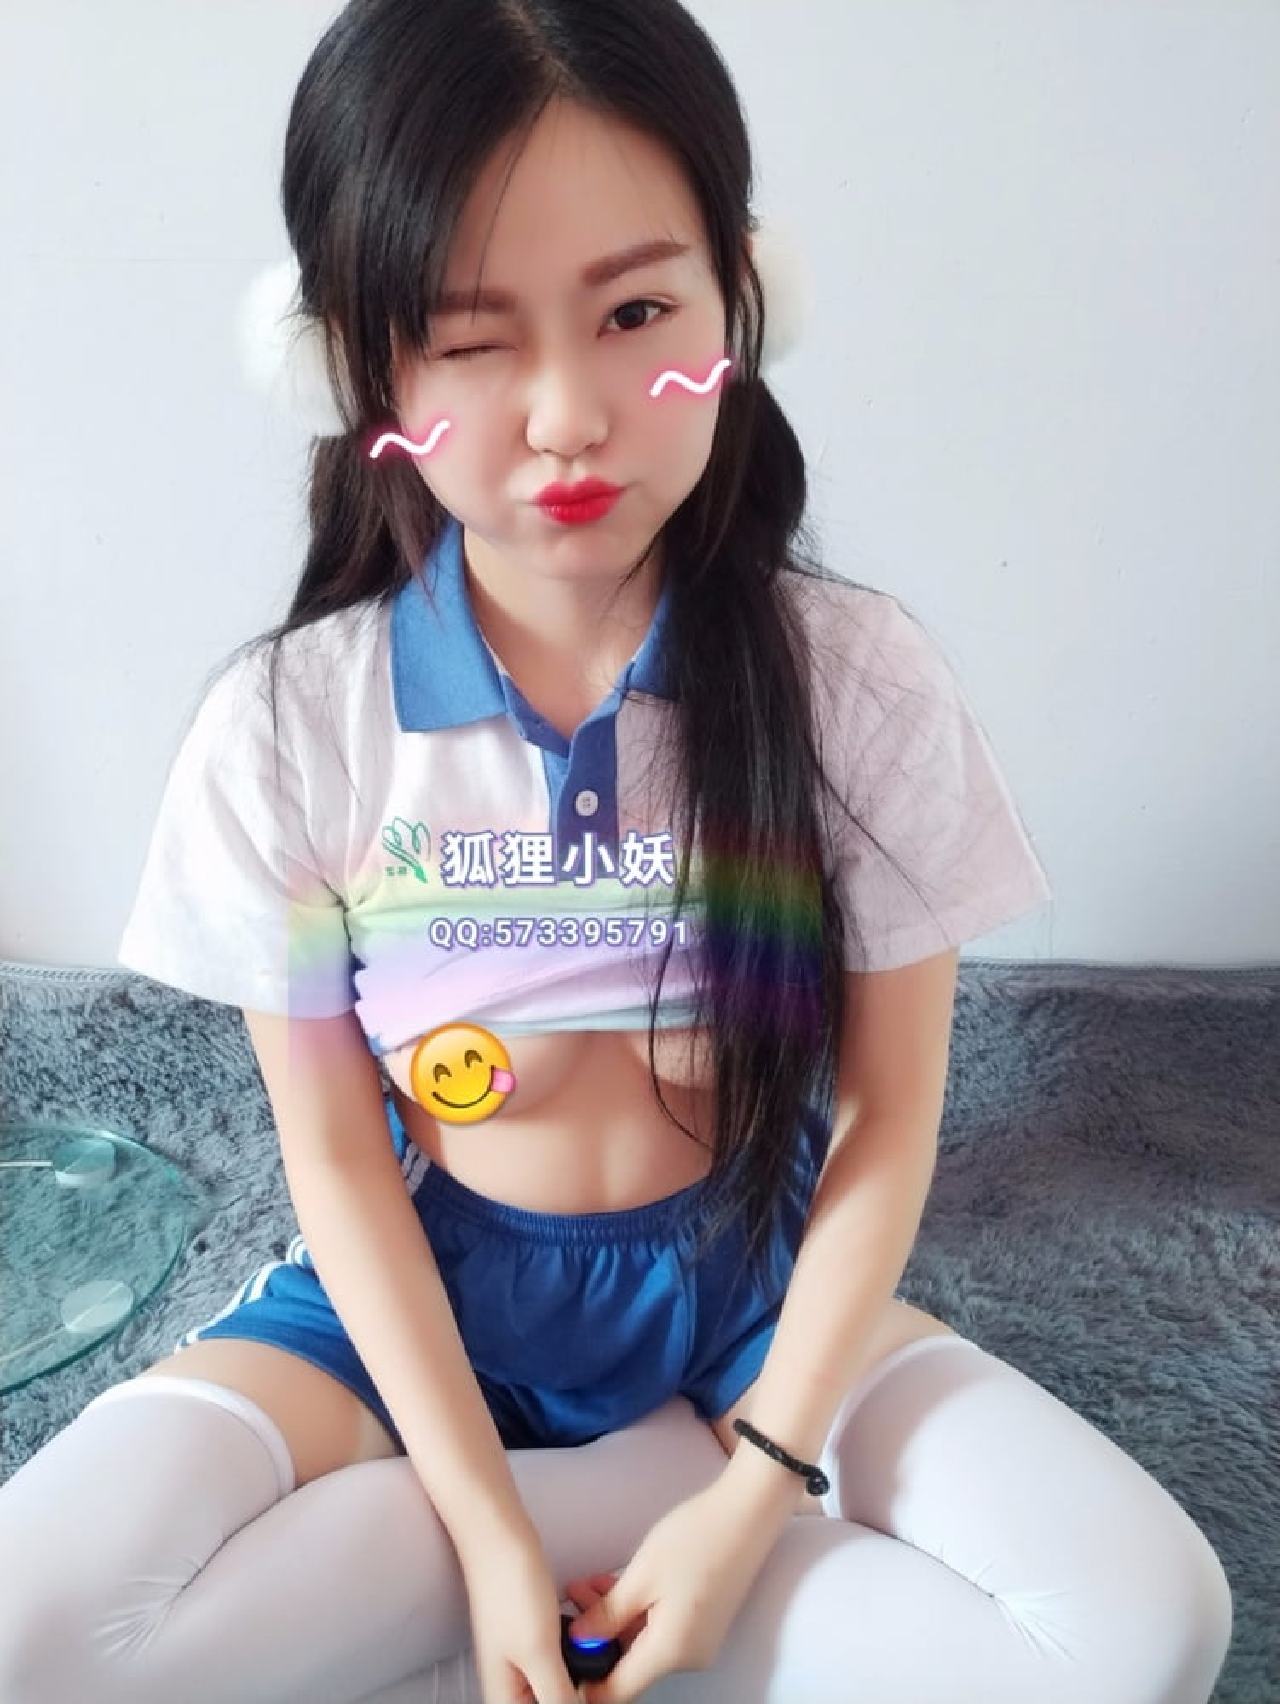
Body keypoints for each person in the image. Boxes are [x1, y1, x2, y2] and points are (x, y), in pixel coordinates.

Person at [0, 1, 1233, 1700]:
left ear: (744, 299)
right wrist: (488, 1534)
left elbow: (888, 1119)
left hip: (750, 1302)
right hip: (412, 1306)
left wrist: (753, 1498)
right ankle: (566, 1542)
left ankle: (631, 1551)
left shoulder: (852, 683)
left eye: (637, 311)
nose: (570, 415)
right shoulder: (292, 727)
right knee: (29, 1637)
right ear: (354, 369)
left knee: (1146, 1625)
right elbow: (340, 1166)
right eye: (468, 340)